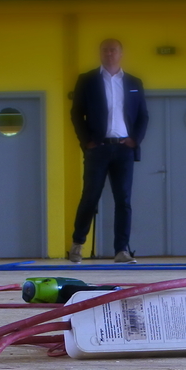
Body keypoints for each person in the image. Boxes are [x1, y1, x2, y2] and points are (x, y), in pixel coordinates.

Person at [67, 37, 149, 263]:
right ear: (100, 53)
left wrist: (135, 140)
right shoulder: (87, 80)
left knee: (123, 200)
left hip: (124, 149)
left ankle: (121, 250)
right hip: (98, 148)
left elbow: (143, 115)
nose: (109, 53)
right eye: (105, 50)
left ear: (121, 54)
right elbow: (76, 113)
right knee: (90, 196)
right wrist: (87, 141)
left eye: (113, 50)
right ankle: (77, 245)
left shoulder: (134, 82)